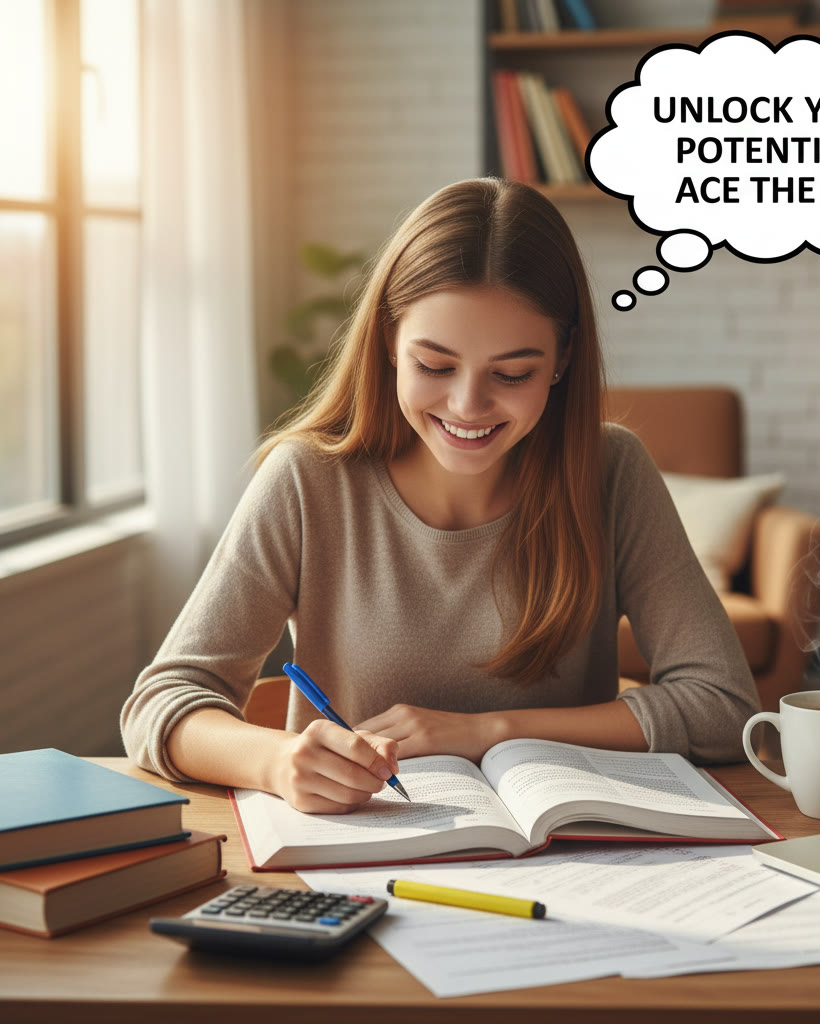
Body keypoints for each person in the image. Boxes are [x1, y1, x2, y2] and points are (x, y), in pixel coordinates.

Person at [121, 177, 759, 814]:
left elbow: (725, 705)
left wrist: (490, 731)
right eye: (434, 365)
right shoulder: (307, 480)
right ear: (390, 343)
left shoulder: (611, 470)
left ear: (563, 359)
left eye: (512, 374)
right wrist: (277, 762)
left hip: (577, 856)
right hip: (363, 853)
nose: (468, 406)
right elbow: (162, 702)